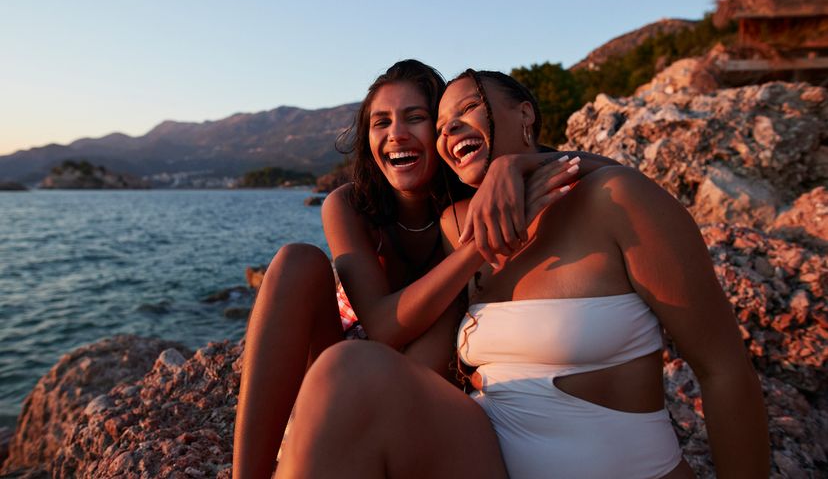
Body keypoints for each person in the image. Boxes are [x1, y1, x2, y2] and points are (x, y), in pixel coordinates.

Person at [275, 69, 769, 478]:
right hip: (485, 461)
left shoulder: (619, 200)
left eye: (467, 110)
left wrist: (522, 165)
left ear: (525, 115)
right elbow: (417, 360)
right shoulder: (457, 225)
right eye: (442, 125)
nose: (450, 132)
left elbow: (724, 371)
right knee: (348, 371)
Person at [233, 60, 610, 478]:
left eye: (416, 117)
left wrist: (512, 165)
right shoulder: (348, 206)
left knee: (451, 303)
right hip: (344, 367)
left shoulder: (472, 197)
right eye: (381, 122)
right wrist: (473, 250)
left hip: (427, 381)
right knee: (296, 261)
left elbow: (606, 169)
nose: (396, 134)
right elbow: (382, 328)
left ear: (444, 128)